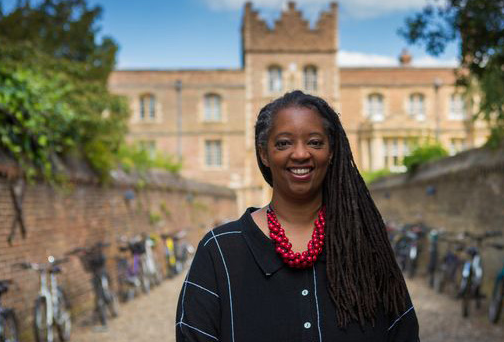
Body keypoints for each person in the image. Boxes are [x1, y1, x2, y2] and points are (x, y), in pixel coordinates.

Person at [176, 90, 419, 341]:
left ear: (332, 151)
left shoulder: (367, 246)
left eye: (315, 142)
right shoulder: (220, 251)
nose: (301, 153)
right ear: (264, 154)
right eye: (283, 143)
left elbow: (404, 333)